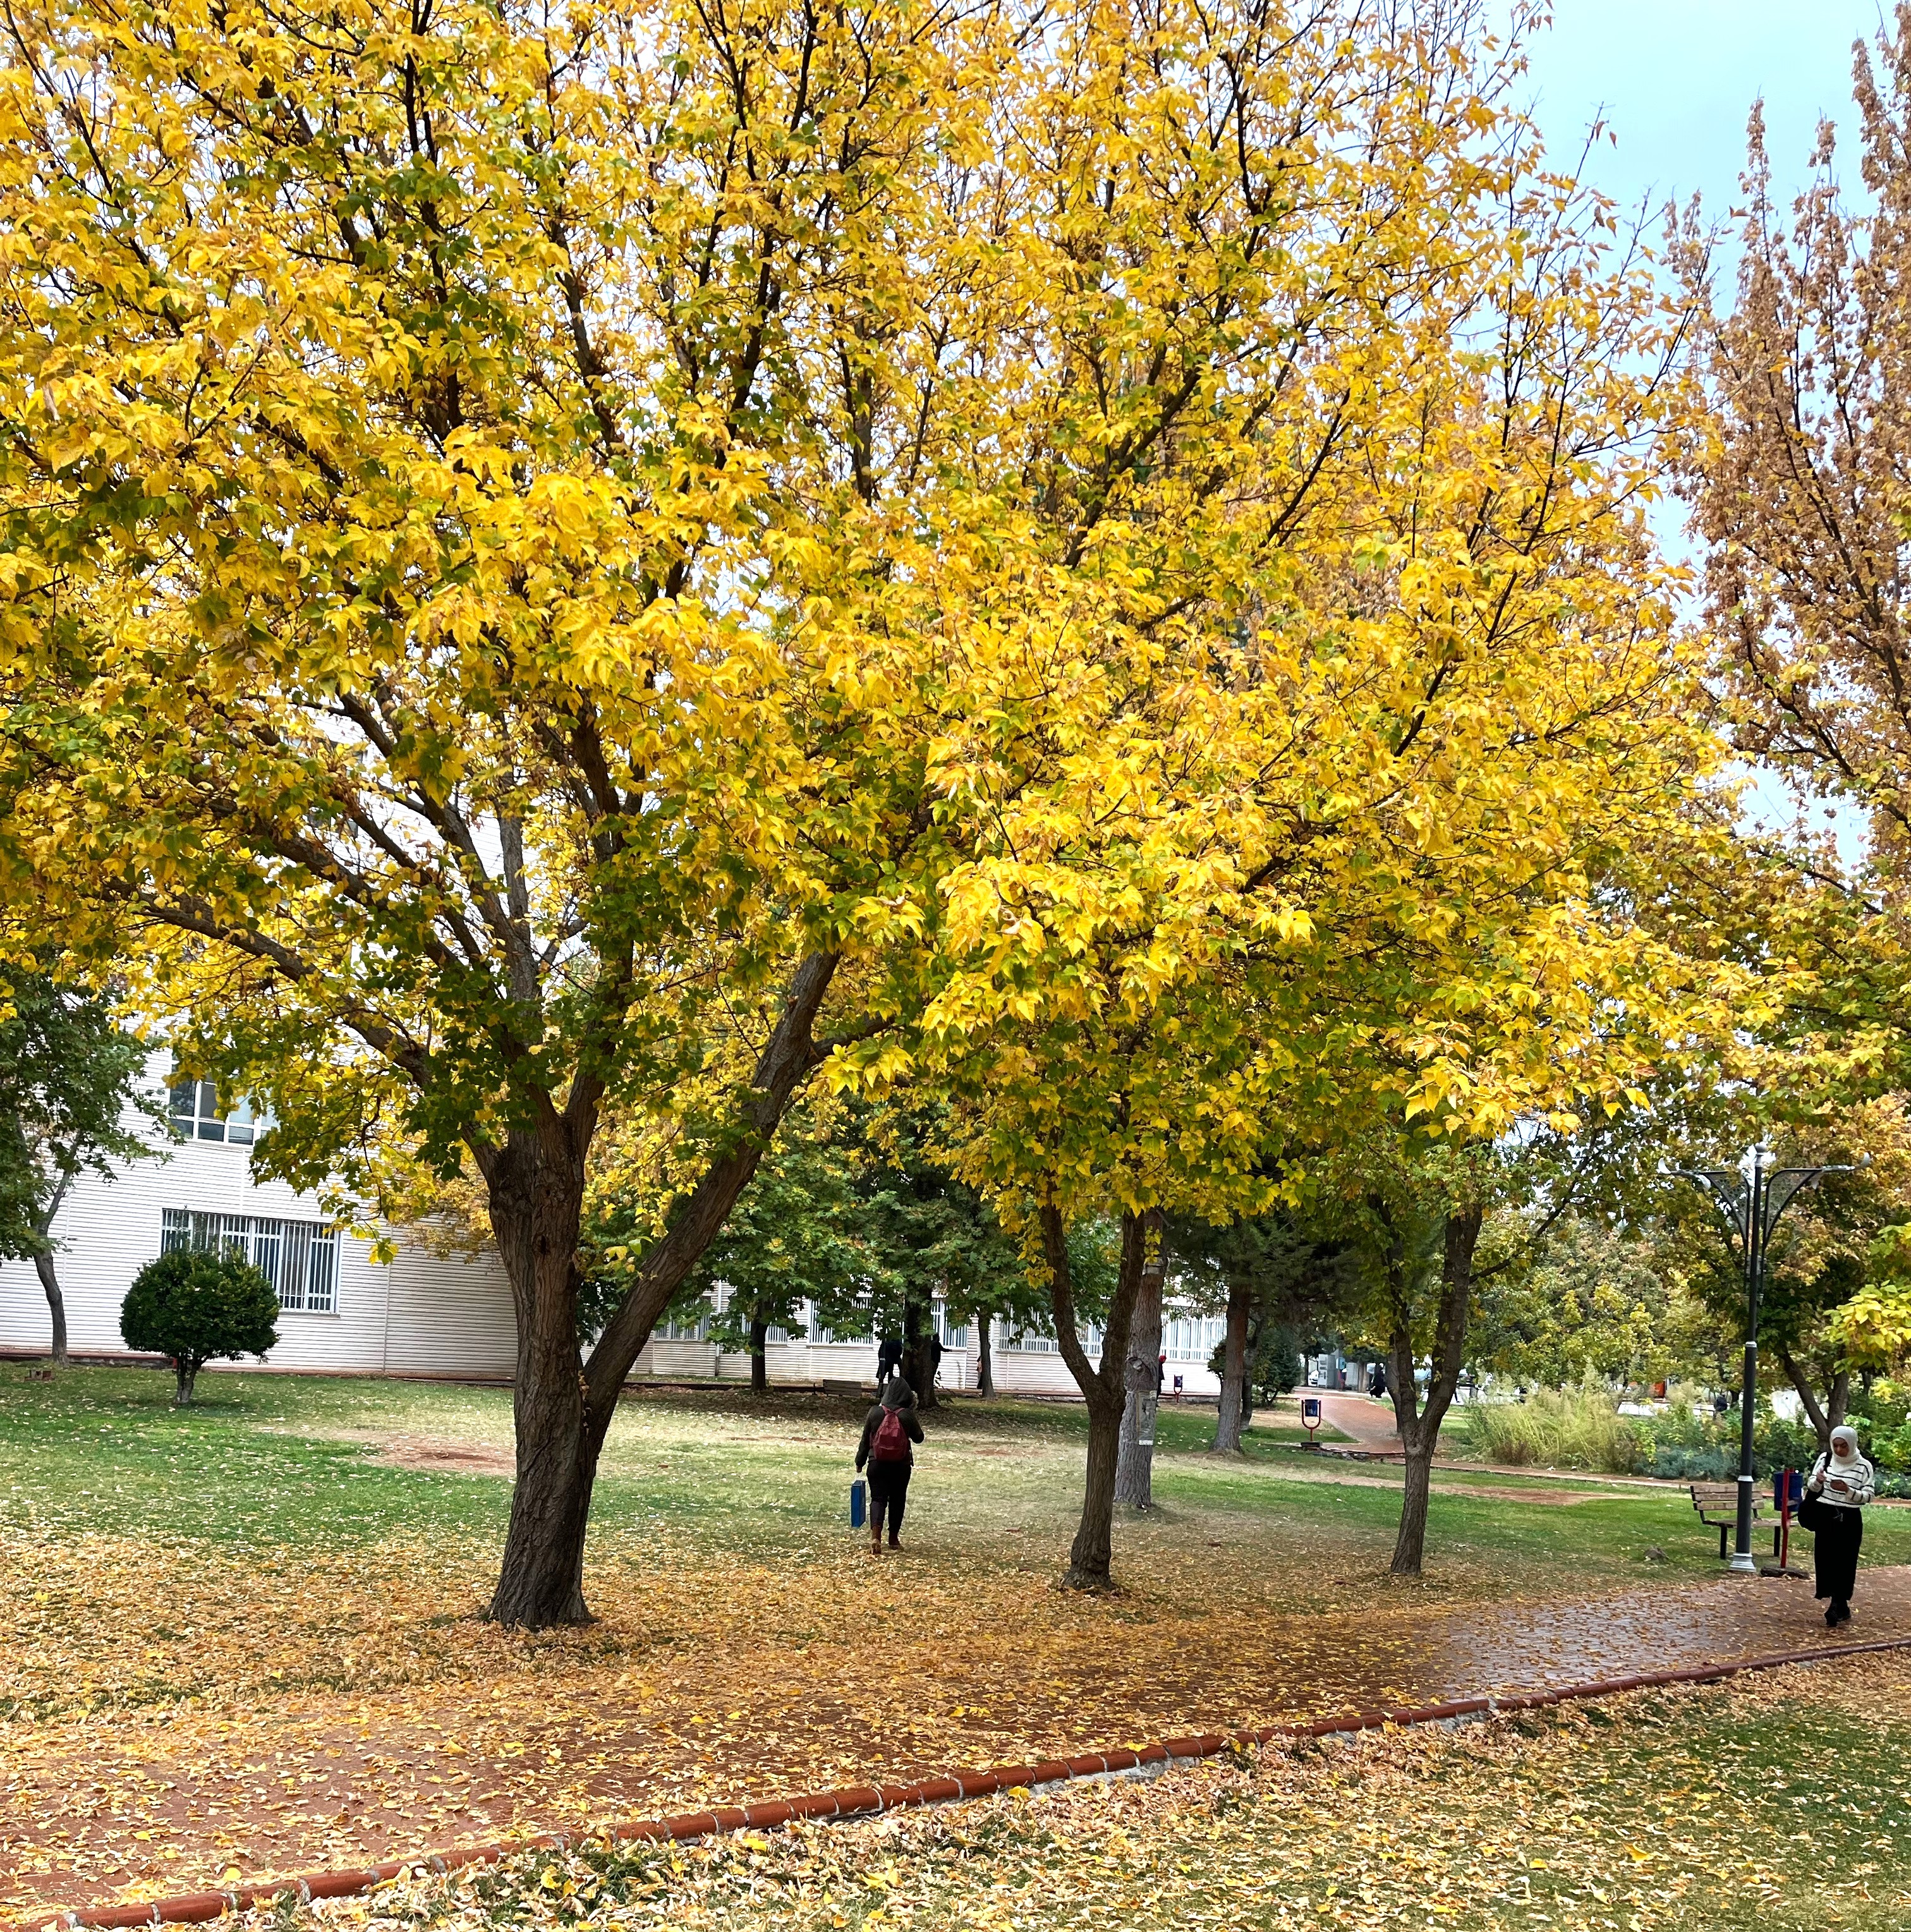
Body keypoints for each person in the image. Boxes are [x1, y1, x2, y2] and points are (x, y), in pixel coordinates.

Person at [1801, 1423, 1876, 1627]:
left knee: (1845, 1561)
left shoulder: (1864, 1466)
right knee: (1826, 1560)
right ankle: (1838, 1605)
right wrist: (1818, 1481)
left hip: (1849, 1519)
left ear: (1852, 1444)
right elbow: (1812, 1486)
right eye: (1836, 1445)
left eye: (1844, 1446)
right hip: (1825, 1516)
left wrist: (1848, 1491)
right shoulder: (1825, 1459)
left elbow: (1869, 1496)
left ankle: (1838, 1604)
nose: (1839, 1450)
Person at [855, 1373, 923, 1554]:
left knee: (878, 1498)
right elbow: (919, 1438)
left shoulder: (875, 1412)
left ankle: (875, 1536)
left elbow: (865, 1440)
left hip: (876, 1463)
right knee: (897, 1499)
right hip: (901, 1465)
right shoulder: (907, 1415)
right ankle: (893, 1539)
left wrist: (859, 1461)